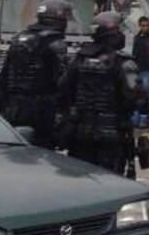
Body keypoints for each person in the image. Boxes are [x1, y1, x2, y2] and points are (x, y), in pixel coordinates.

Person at [59, 12, 144, 175]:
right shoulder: (124, 62)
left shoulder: (80, 58)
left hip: (81, 130)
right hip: (111, 132)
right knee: (109, 178)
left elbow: (64, 88)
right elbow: (135, 97)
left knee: (80, 175)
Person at [0, 0, 72, 149]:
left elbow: (3, 78)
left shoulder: (18, 39)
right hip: (41, 110)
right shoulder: (55, 43)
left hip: (14, 106)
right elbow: (63, 82)